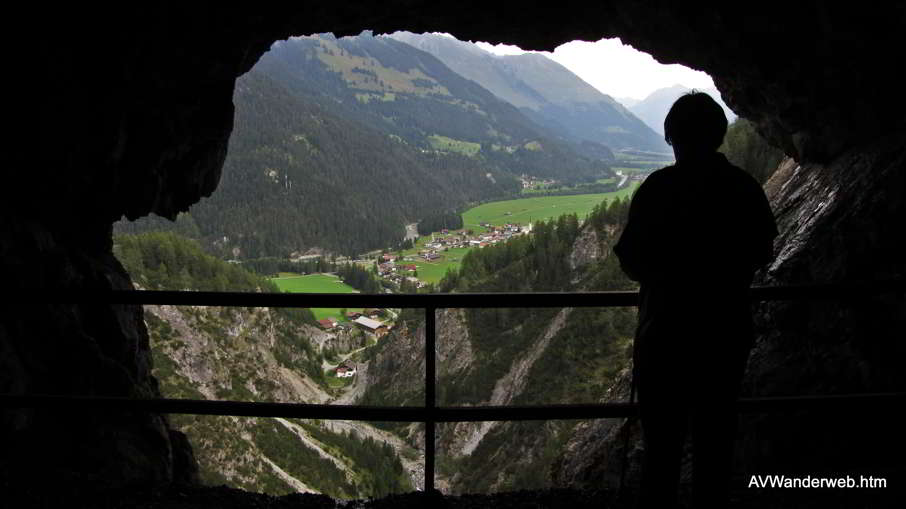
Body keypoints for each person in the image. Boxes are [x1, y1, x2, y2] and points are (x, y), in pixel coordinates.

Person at [613, 92, 778, 508]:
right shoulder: (743, 188)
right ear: (719, 136)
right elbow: (763, 252)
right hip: (725, 332)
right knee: (715, 441)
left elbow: (630, 261)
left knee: (662, 448)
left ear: (671, 137)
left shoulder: (658, 188)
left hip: (664, 333)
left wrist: (667, 275)